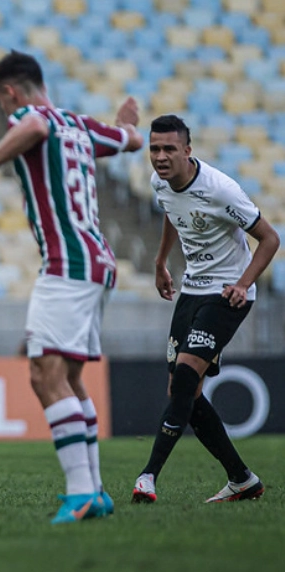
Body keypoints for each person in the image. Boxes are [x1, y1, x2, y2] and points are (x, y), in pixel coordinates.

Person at [0, 51, 143, 524]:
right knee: (68, 378)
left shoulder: (33, 116)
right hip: (98, 262)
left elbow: (33, 129)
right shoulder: (80, 124)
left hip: (67, 265)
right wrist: (126, 126)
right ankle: (96, 492)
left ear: (10, 92)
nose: (6, 114)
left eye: (1, 103)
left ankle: (81, 494)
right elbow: (132, 140)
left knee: (44, 376)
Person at [131, 115, 279, 504]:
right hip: (192, 289)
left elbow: (269, 238)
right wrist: (161, 261)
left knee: (183, 381)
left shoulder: (220, 190)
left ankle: (148, 476)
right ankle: (242, 479)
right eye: (154, 149)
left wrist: (244, 284)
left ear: (187, 151)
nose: (160, 157)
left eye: (169, 149)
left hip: (227, 294)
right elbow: (171, 212)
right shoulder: (159, 182)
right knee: (185, 392)